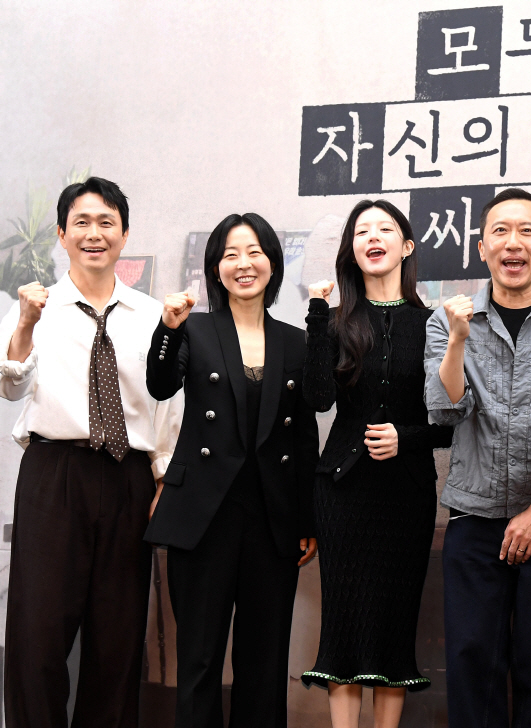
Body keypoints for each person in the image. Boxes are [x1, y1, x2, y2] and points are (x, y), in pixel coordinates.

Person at [0, 177, 182, 727]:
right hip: (54, 473)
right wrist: (26, 323)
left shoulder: (150, 314)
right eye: (81, 222)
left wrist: (162, 480)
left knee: (117, 640)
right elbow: (10, 385)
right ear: (61, 234)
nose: (94, 233)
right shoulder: (35, 306)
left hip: (128, 477)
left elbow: (165, 403)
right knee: (37, 635)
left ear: (124, 235)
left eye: (106, 222)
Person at [424, 188, 531, 728]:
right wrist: (458, 340)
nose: (513, 243)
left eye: (528, 231)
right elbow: (444, 412)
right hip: (473, 518)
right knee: (471, 662)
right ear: (482, 248)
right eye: (500, 231)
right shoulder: (447, 320)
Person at [143, 212, 319, 728]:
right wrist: (167, 329)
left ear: (273, 263)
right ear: (215, 268)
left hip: (272, 519)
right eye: (230, 254)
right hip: (202, 518)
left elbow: (303, 438)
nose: (244, 264)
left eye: (255, 252)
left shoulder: (296, 342)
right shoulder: (193, 328)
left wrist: (306, 519)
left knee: (265, 664)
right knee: (198, 660)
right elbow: (159, 385)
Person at [300, 199, 453, 728]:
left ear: (406, 246)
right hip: (342, 493)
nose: (373, 237)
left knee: (393, 627)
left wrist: (404, 438)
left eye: (384, 228)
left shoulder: (433, 325)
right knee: (343, 626)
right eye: (361, 230)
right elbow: (318, 398)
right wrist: (316, 316)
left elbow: (451, 421)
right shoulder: (334, 320)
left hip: (407, 495)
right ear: (352, 250)